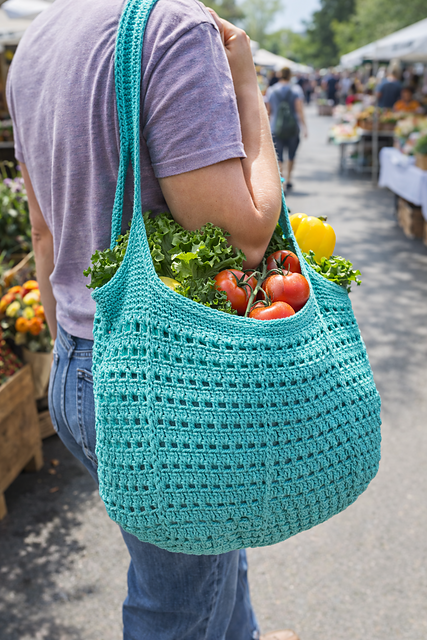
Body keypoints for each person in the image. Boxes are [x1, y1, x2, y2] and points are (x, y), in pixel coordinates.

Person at [6, 0, 299, 639]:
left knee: (206, 551)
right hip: (167, 384)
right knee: (176, 602)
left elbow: (43, 232)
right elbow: (244, 238)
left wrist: (75, 361)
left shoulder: (37, 40)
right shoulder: (171, 25)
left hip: (79, 363)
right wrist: (247, 84)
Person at [266, 67, 307, 192]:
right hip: (293, 127)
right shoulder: (296, 90)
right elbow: (299, 110)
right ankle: (289, 179)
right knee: (291, 154)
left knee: (278, 156)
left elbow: (268, 111)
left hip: (275, 127)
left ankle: (281, 181)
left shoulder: (272, 90)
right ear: (290, 75)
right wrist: (304, 127)